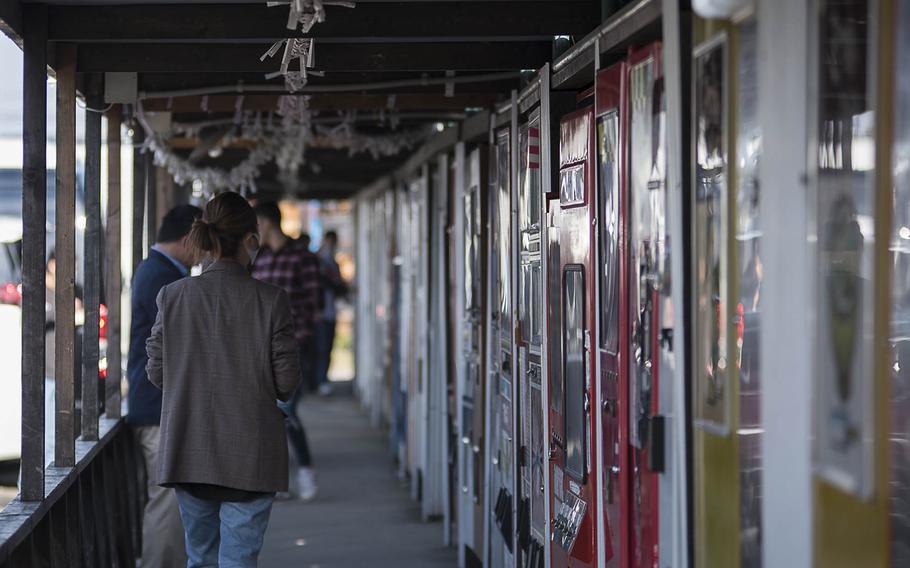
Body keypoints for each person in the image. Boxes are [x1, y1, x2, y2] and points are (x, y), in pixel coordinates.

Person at [146, 192, 301, 568]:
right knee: (240, 559)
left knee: (199, 558)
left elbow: (156, 372)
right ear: (251, 239)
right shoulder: (271, 300)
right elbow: (286, 382)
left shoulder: (173, 296)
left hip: (189, 448)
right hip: (251, 453)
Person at [127, 204, 201, 568]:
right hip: (158, 407)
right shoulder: (161, 275)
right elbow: (180, 343)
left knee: (167, 499)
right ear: (188, 240)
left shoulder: (154, 269)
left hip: (154, 404)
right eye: (203, 244)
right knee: (166, 502)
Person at [251, 202, 321, 500]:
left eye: (256, 224)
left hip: (294, 346)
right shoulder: (259, 260)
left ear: (267, 222)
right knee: (271, 412)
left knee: (286, 410)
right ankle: (283, 476)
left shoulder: (300, 257)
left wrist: (302, 340)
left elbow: (314, 304)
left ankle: (304, 471)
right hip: (261, 348)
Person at [314, 230, 347, 396]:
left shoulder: (333, 263)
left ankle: (323, 380)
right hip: (321, 313)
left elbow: (339, 285)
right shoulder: (319, 262)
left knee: (327, 348)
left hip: (330, 312)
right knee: (321, 349)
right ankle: (319, 381)